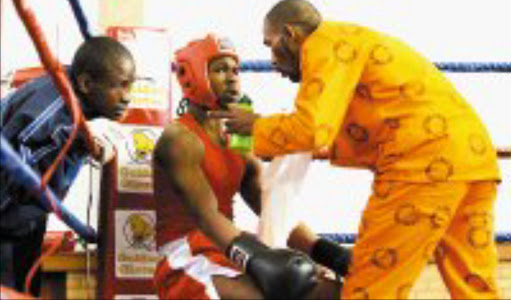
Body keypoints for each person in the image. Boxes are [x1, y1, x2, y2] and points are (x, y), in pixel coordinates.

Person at [210, 0, 502, 299]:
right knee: (474, 285)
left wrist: (257, 126)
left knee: (370, 288)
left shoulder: (324, 45)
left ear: (291, 34)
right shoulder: (351, 43)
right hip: (473, 158)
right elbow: (330, 131)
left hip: (424, 166)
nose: (271, 60)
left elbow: (312, 130)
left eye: (269, 44)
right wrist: (275, 139)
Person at [152, 34, 350, 299]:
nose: (232, 77)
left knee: (336, 293)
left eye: (235, 70)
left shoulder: (237, 141)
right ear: (192, 76)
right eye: (220, 69)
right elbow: (207, 217)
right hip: (186, 256)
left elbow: (270, 206)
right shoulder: (179, 139)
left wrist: (329, 252)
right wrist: (259, 258)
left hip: (230, 250)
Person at [0, 36, 136, 296]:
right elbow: (15, 173)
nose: (128, 98)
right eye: (121, 86)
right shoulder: (54, 108)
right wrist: (79, 138)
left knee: (24, 290)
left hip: (22, 221)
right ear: (86, 83)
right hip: (6, 221)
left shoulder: (71, 94)